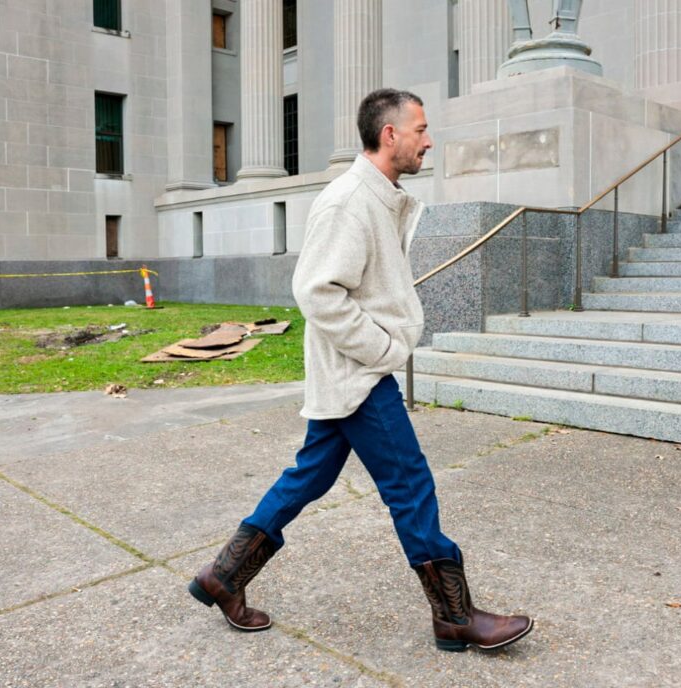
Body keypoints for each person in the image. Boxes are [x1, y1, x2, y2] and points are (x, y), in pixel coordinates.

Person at [188, 88, 533, 652]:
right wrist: (382, 350)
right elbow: (316, 292)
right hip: (360, 375)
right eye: (420, 129)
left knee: (310, 475)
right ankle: (454, 616)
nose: (429, 140)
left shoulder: (378, 197)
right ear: (389, 134)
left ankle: (223, 577)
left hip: (353, 372)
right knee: (410, 484)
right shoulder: (349, 201)